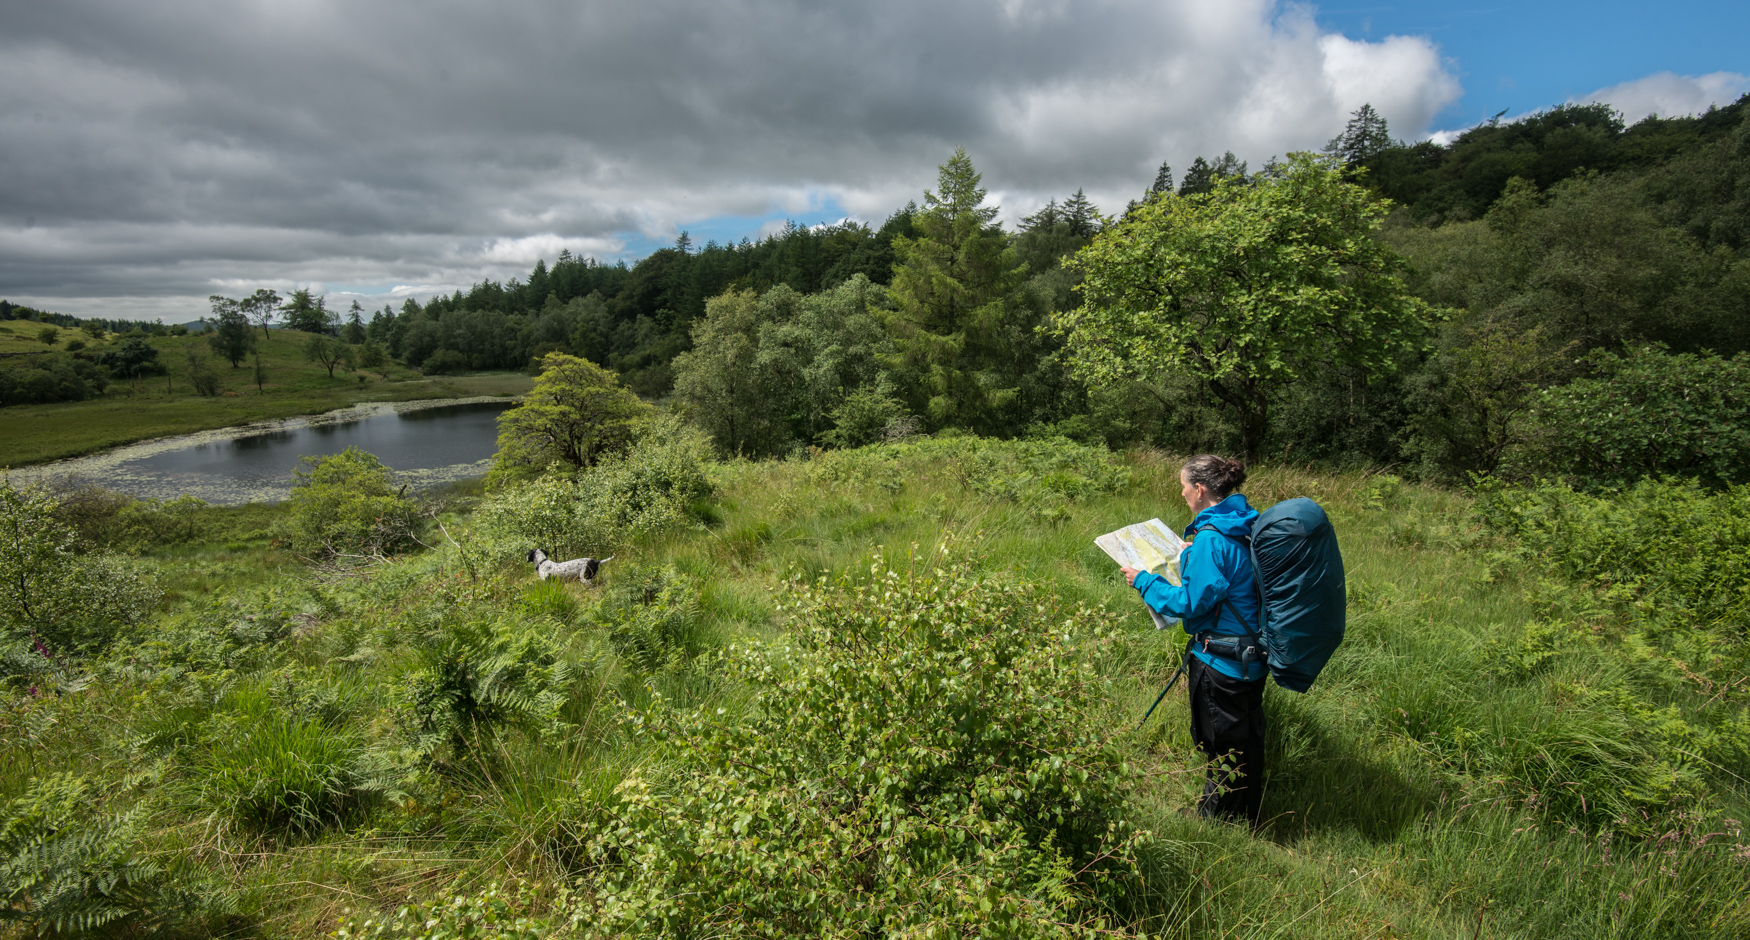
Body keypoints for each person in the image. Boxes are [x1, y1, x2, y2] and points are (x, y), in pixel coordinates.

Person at [1120, 454, 1266, 824]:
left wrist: (1144, 581)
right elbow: (1231, 579)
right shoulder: (1243, 524)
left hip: (1221, 662)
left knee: (1222, 747)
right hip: (1252, 656)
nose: (1182, 493)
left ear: (1199, 490)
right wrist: (1192, 557)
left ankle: (1216, 825)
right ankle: (1248, 816)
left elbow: (1190, 601)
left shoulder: (1210, 540)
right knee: (1247, 742)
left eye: (1184, 486)